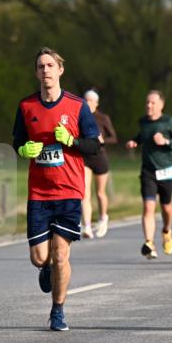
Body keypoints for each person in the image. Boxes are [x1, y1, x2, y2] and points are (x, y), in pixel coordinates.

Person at [11, 47, 101, 332]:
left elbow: (95, 145)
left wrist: (72, 141)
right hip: (38, 193)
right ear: (36, 72)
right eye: (41, 67)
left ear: (60, 70)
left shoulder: (77, 106)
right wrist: (24, 149)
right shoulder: (26, 107)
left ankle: (58, 310)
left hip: (69, 191)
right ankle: (45, 268)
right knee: (39, 257)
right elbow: (17, 142)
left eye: (50, 65)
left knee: (61, 254)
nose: (45, 71)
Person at [125, 90, 172, 258]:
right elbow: (142, 136)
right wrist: (134, 142)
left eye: (152, 103)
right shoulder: (143, 122)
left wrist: (165, 141)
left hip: (166, 170)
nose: (148, 106)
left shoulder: (168, 122)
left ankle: (166, 230)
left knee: (166, 207)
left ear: (161, 105)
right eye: (147, 103)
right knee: (148, 206)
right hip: (148, 171)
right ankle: (149, 243)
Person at [80, 89, 117, 238]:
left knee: (100, 193)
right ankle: (87, 226)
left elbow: (114, 138)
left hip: (100, 158)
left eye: (90, 100)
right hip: (85, 158)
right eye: (86, 100)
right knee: (84, 194)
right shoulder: (80, 116)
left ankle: (103, 218)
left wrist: (103, 140)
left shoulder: (103, 118)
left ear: (96, 103)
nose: (88, 103)